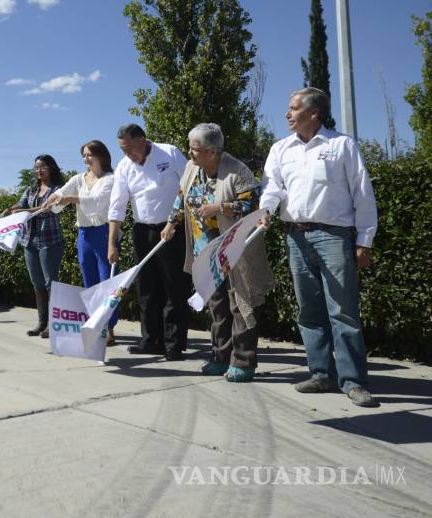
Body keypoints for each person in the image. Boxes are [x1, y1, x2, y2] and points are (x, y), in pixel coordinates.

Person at [260, 87, 379, 407]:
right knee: (309, 311)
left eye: (294, 108)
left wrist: (364, 240)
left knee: (343, 311)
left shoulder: (342, 145)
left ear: (314, 113)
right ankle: (321, 374)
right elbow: (273, 188)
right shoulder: (280, 149)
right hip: (295, 237)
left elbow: (363, 195)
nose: (287, 113)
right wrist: (265, 212)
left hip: (335, 236)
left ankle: (353, 381)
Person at [161, 124, 274, 382]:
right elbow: (182, 196)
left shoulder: (237, 171)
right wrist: (171, 223)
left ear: (212, 152)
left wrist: (220, 207)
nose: (190, 153)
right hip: (205, 251)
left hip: (234, 252)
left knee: (239, 305)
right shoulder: (192, 169)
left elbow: (252, 204)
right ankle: (220, 356)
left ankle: (243, 361)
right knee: (217, 307)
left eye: (195, 149)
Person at [107, 124, 189, 360]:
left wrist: (173, 222)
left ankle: (173, 345)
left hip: (173, 228)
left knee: (174, 287)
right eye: (123, 150)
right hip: (142, 231)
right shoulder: (124, 167)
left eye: (131, 148)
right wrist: (112, 243)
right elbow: (117, 205)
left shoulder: (169, 153)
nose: (128, 154)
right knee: (147, 288)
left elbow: (189, 187)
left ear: (143, 140)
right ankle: (151, 341)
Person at [43, 140, 119, 345]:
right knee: (90, 283)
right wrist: (53, 198)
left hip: (103, 233)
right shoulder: (79, 178)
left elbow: (97, 202)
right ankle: (97, 326)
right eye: (84, 155)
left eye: (89, 155)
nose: (86, 159)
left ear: (101, 156)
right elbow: (62, 192)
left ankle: (110, 328)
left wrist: (69, 199)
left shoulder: (110, 179)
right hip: (84, 235)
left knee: (107, 283)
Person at [5, 155, 65, 338]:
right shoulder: (31, 190)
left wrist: (23, 211)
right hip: (29, 241)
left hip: (50, 240)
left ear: (51, 168)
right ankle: (42, 322)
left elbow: (46, 209)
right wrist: (11, 208)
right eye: (36, 168)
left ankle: (53, 324)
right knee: (37, 283)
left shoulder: (58, 189)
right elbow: (21, 204)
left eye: (43, 167)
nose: (39, 171)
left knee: (50, 283)